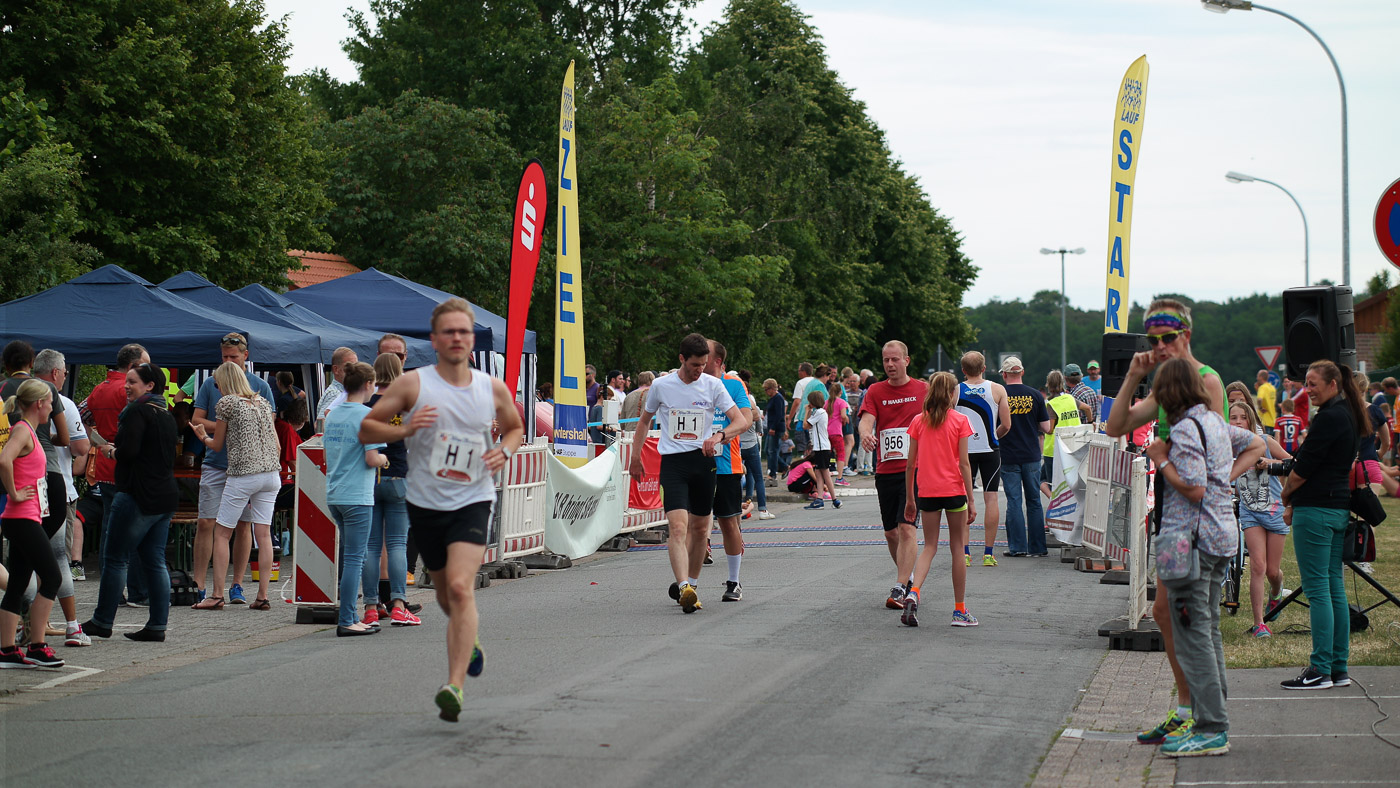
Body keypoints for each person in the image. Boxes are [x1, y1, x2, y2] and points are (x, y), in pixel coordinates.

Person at [361, 298, 524, 722]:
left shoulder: (491, 388)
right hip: (425, 501)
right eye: (448, 332)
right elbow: (368, 427)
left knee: (459, 588)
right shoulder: (413, 385)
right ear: (434, 340)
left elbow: (515, 428)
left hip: (473, 498)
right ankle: (469, 639)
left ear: (471, 340)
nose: (456, 338)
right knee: (444, 594)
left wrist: (505, 451)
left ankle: (454, 686)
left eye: (463, 331)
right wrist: (406, 427)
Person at [1104, 298, 1225, 747]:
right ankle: (1189, 709)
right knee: (1166, 612)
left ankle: (1202, 717)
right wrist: (1132, 377)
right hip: (1174, 509)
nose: (1159, 347)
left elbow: (1215, 451)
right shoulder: (1167, 383)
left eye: (1167, 338)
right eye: (1153, 340)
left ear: (1185, 336)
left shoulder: (1204, 380)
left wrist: (1171, 464)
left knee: (1191, 616)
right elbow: (1116, 425)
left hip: (1194, 512)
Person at [1144, 358, 1263, 757]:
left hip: (1191, 540)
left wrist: (1161, 459)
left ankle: (1212, 727)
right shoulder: (1214, 422)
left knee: (1193, 634)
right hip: (1220, 534)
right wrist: (1223, 478)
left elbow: (1193, 488)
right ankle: (1210, 716)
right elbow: (1257, 444)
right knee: (1207, 631)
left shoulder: (1183, 430)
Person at [628, 333, 745, 616]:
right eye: (694, 365)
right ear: (682, 359)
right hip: (674, 464)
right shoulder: (661, 385)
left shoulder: (713, 385)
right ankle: (683, 586)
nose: (699, 370)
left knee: (701, 529)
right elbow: (644, 421)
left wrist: (719, 435)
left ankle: (692, 585)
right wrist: (635, 456)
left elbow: (741, 420)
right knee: (678, 527)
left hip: (704, 463)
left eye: (703, 364)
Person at [1278, 360, 1368, 691]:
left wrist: (1286, 495)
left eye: (1313, 383)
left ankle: (1319, 669)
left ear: (1333, 384)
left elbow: (1303, 468)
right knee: (1333, 589)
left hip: (1315, 510)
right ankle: (1337, 667)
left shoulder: (1329, 417)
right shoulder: (1349, 414)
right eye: (1306, 383)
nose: (1308, 389)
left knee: (1318, 591)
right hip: (1336, 509)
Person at [82, 363, 177, 642]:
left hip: (137, 494)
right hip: (164, 495)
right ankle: (157, 625)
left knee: (115, 558)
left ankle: (102, 620)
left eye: (132, 382)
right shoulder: (166, 414)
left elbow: (130, 451)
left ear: (150, 385)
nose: (126, 386)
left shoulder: (137, 412)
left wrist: (111, 451)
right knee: (155, 560)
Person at [191, 333, 276, 606]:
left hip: (242, 473)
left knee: (222, 532)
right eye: (225, 356)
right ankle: (262, 596)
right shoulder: (261, 400)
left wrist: (203, 436)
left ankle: (217, 595)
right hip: (269, 474)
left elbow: (216, 444)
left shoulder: (227, 402)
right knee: (263, 534)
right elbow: (274, 440)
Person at [901, 372, 977, 628]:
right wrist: (971, 499)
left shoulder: (918, 421)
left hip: (927, 491)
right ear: (953, 393)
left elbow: (910, 464)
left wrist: (910, 499)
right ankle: (959, 610)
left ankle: (914, 592)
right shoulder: (960, 420)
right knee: (957, 547)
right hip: (954, 490)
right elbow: (964, 464)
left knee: (929, 546)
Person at [0, 379, 65, 668]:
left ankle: (7, 650)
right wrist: (14, 493)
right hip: (21, 517)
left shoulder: (31, 431)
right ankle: (37, 645)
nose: (52, 407)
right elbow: (4, 460)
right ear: (39, 404)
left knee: (17, 585)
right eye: (50, 402)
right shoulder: (23, 430)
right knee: (52, 578)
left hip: (26, 517)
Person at [322, 361, 389, 637]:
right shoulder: (367, 416)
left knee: (350, 557)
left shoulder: (332, 415)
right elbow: (372, 458)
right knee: (355, 559)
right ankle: (348, 618)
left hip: (335, 493)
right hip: (357, 495)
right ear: (368, 385)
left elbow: (326, 455)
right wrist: (384, 460)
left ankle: (350, 616)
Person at [858, 341, 924, 609]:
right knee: (891, 533)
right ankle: (909, 579)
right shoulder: (875, 390)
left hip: (915, 470)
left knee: (907, 527)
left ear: (906, 360)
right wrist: (866, 434)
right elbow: (866, 420)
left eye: (895, 359)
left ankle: (899, 587)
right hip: (886, 469)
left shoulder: (922, 389)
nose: (890, 365)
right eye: (886, 360)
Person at [32, 350, 92, 646]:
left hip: (23, 490)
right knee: (57, 558)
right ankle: (71, 625)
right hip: (58, 488)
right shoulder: (62, 402)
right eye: (65, 371)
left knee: (25, 558)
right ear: (56, 373)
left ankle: (28, 623)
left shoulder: (14, 398)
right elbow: (80, 447)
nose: (66, 375)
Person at [1229, 401, 1291, 638]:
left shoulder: (1264, 441)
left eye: (1242, 417)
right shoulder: (1228, 447)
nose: (1238, 422)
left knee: (1272, 571)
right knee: (1258, 566)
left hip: (1274, 510)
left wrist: (1268, 463)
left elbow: (1293, 464)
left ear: (1251, 420)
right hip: (1250, 511)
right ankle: (1259, 624)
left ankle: (1276, 591)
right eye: (1233, 417)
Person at [366, 354, 420, 626]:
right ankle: (399, 605)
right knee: (397, 543)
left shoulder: (366, 404)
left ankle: (371, 606)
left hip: (370, 479)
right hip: (399, 476)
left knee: (372, 546)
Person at [704, 341, 754, 601]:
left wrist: (723, 434)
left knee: (728, 523)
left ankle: (734, 581)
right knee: (692, 525)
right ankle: (688, 582)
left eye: (704, 354)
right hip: (695, 464)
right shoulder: (690, 383)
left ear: (717, 361)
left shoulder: (733, 384)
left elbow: (746, 419)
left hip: (726, 465)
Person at [954, 351, 1009, 566]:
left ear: (963, 370)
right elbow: (1007, 424)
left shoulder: (956, 390)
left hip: (964, 451)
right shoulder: (997, 389)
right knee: (991, 498)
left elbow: (949, 420)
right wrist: (994, 435)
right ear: (984, 368)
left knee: (963, 500)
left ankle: (965, 553)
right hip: (989, 449)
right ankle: (988, 553)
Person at [998, 357, 1052, 557]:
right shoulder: (1035, 395)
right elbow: (1046, 427)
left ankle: (1018, 547)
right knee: (1034, 501)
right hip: (1031, 454)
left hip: (1008, 454)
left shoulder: (1000, 395)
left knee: (1014, 501)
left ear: (1004, 374)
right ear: (1022, 372)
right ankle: (1038, 547)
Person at [736, 369, 772, 521]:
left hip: (738, 446)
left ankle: (737, 507)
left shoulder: (733, 408)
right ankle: (762, 509)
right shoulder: (753, 408)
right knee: (758, 477)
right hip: (751, 444)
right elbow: (759, 429)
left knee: (737, 477)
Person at [1041, 370, 1081, 499]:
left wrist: (1039, 426)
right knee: (1067, 481)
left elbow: (1050, 429)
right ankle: (1058, 501)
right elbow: (1087, 408)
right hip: (1072, 446)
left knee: (1047, 481)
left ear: (1048, 384)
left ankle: (1054, 501)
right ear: (1062, 382)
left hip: (1053, 449)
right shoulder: (1070, 398)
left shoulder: (1051, 404)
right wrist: (1091, 421)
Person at [1351, 371, 1390, 495]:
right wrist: (1378, 454)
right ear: (1366, 389)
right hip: (1368, 463)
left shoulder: (1340, 410)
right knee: (1370, 506)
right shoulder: (1375, 411)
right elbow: (1386, 442)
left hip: (1346, 466)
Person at [804, 389, 839, 509]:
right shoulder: (819, 412)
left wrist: (806, 411)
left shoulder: (819, 412)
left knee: (825, 473)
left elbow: (805, 425)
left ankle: (835, 499)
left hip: (822, 448)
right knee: (818, 473)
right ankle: (820, 498)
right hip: (820, 447)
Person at [317, 347, 359, 424]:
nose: (355, 370)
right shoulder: (335, 394)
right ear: (336, 369)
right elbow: (320, 424)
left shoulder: (342, 392)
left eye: (356, 366)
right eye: (349, 366)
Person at [787, 362, 821, 457]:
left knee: (803, 445)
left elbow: (797, 401)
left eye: (799, 370)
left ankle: (805, 459)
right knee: (813, 443)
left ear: (804, 371)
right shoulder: (817, 382)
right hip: (815, 416)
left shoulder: (800, 383)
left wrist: (790, 418)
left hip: (802, 417)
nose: (798, 372)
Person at [762, 378, 787, 480]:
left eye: (767, 389)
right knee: (768, 450)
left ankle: (773, 473)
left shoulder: (778, 398)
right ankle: (783, 466)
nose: (766, 392)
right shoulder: (773, 398)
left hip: (776, 428)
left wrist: (773, 427)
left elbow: (779, 414)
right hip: (771, 428)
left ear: (772, 388)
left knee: (772, 451)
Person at [825, 381, 849, 484]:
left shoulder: (826, 402)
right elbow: (843, 415)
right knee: (840, 453)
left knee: (827, 454)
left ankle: (825, 476)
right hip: (837, 432)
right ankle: (839, 477)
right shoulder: (841, 402)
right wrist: (845, 419)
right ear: (840, 392)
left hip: (827, 432)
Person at [1255, 370, 1278, 436]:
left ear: (1261, 377)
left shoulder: (1262, 388)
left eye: (1257, 376)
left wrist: (1260, 408)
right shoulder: (1272, 388)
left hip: (1264, 421)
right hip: (1273, 420)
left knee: (1265, 441)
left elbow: (1259, 399)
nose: (1256, 378)